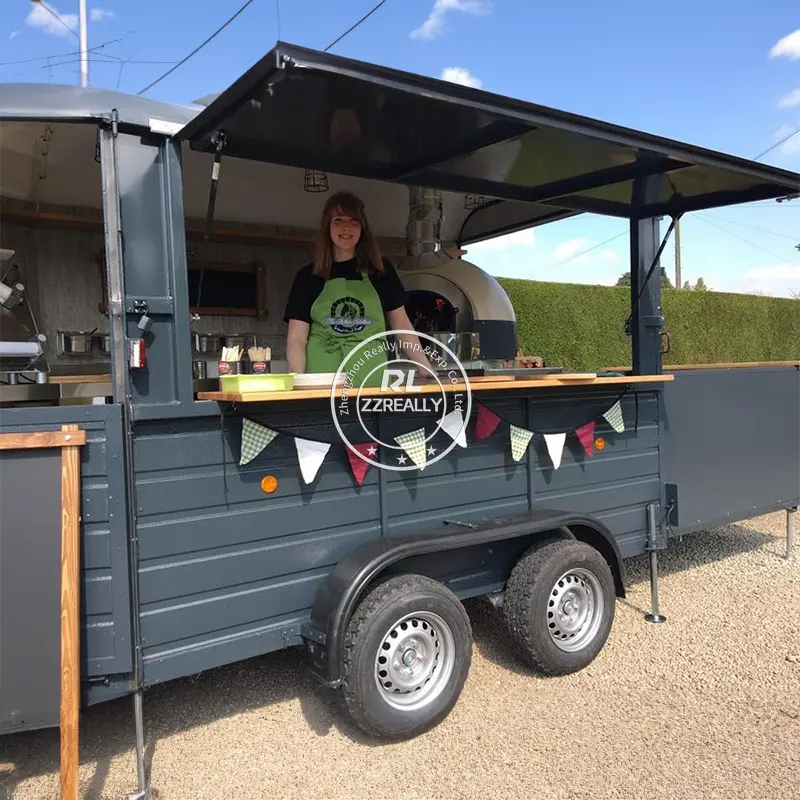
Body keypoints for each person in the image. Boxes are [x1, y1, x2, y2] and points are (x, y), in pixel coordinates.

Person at [284, 191, 431, 381]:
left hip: (370, 378)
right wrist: (298, 381)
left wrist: (424, 367)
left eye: (354, 221)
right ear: (327, 226)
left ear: (363, 229)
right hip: (323, 380)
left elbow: (401, 324)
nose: (346, 228)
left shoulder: (380, 271)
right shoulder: (308, 276)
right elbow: (297, 338)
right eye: (338, 220)